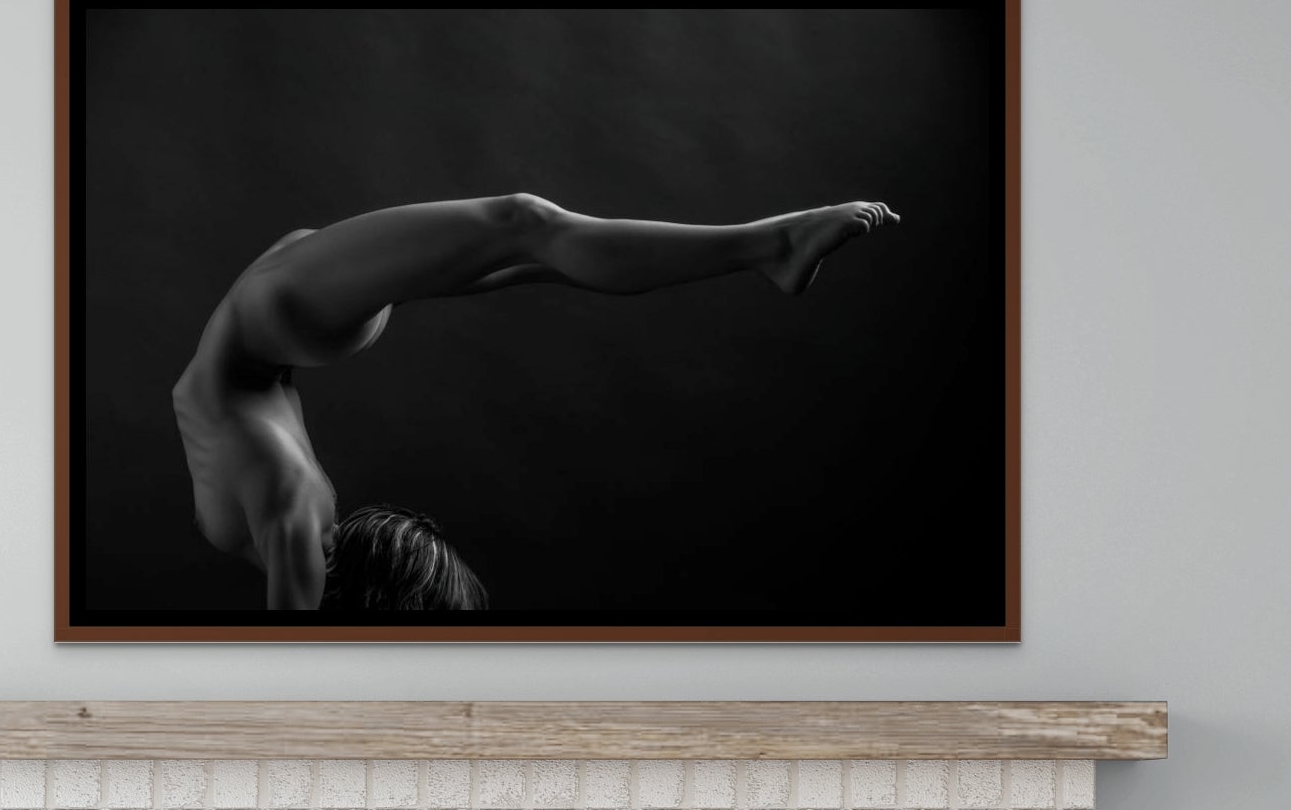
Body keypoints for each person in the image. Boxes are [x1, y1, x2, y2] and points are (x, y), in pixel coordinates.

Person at [168, 192, 899, 612]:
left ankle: (767, 246)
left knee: (527, 238)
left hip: (279, 318)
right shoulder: (289, 508)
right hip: (277, 316)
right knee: (528, 243)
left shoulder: (293, 518)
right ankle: (767, 250)